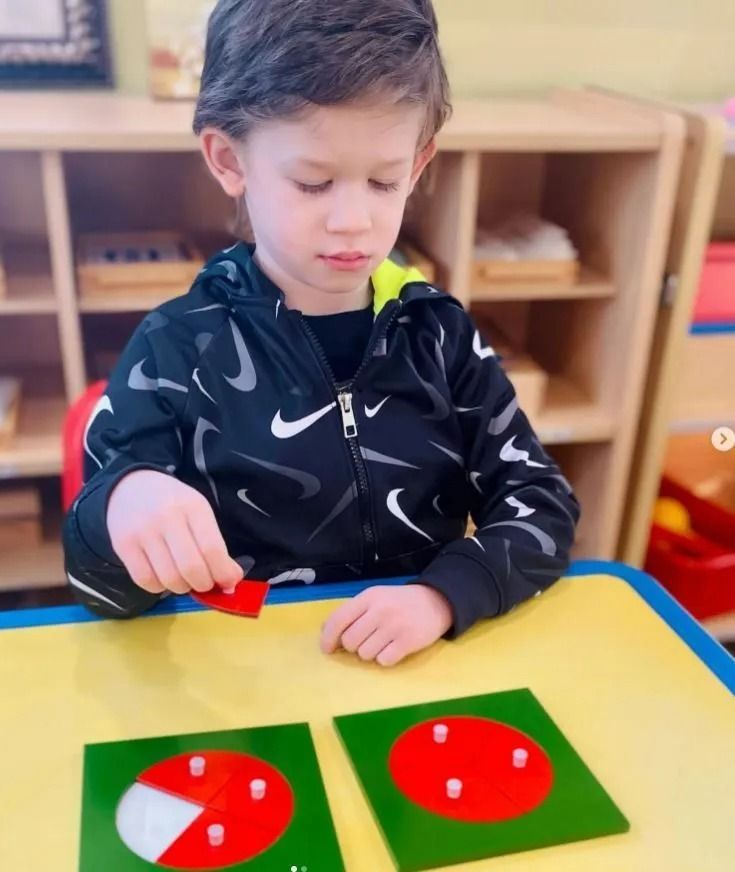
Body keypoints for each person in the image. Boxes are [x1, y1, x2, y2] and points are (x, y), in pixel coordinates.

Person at [62, 0, 580, 667]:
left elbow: (542, 504)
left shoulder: (437, 334)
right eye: (312, 182)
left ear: (417, 165)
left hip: (409, 670)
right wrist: (121, 506)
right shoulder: (176, 349)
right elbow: (91, 585)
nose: (352, 221)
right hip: (245, 682)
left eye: (383, 181)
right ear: (229, 160)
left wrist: (443, 597)